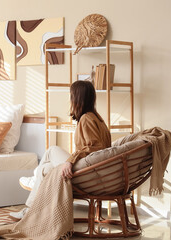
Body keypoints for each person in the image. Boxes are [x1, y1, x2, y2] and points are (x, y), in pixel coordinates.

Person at [10, 80, 111, 221]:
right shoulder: (97, 119)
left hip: (89, 171)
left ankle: (34, 181)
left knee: (52, 150)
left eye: (71, 96)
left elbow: (95, 148)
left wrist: (70, 161)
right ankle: (30, 210)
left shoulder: (86, 119)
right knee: (45, 169)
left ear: (76, 98)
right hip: (93, 168)